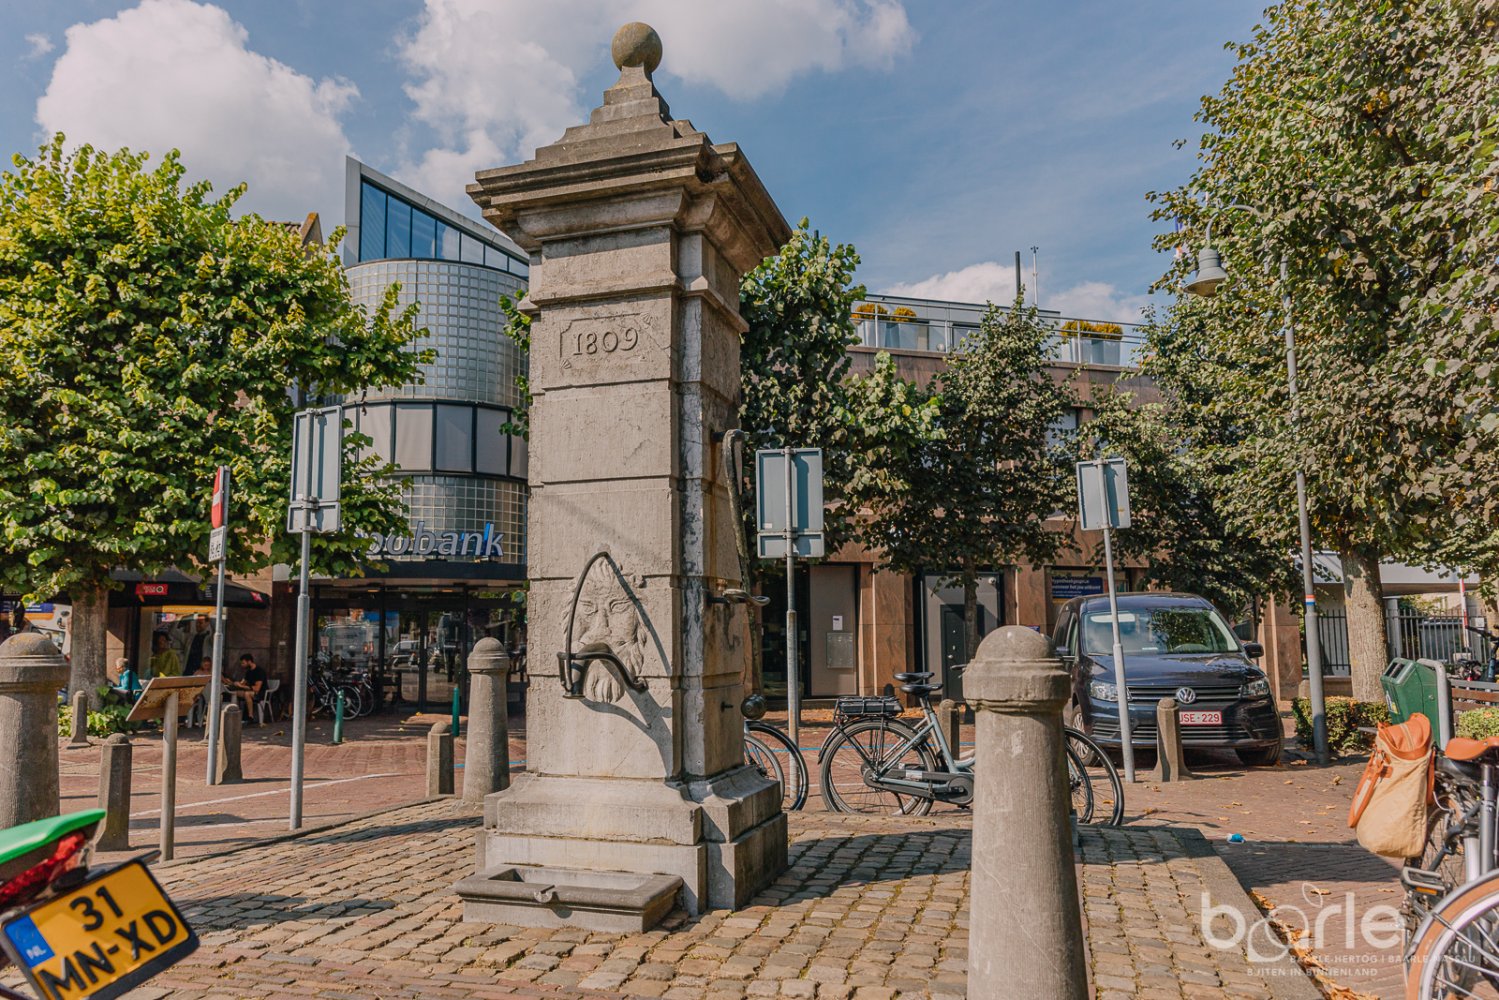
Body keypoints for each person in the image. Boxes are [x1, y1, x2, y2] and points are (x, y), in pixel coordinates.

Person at [237, 653, 268, 722]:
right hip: (251, 692)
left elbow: (257, 688)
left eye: (243, 663)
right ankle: (236, 714)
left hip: (261, 693)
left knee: (247, 694)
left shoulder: (259, 671)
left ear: (249, 661)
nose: (242, 665)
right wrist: (235, 683)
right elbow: (242, 683)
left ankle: (250, 716)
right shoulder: (248, 672)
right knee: (235, 693)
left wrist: (242, 686)